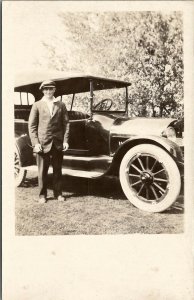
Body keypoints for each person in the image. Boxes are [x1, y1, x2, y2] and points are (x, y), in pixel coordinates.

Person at [28, 80, 69, 203]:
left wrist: (65, 141)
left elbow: (66, 124)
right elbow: (32, 126)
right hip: (42, 143)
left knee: (57, 170)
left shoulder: (61, 105)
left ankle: (58, 194)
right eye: (46, 89)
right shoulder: (37, 105)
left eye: (51, 89)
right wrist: (36, 143)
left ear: (54, 90)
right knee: (42, 171)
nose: (48, 91)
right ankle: (42, 195)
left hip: (57, 143)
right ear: (43, 91)